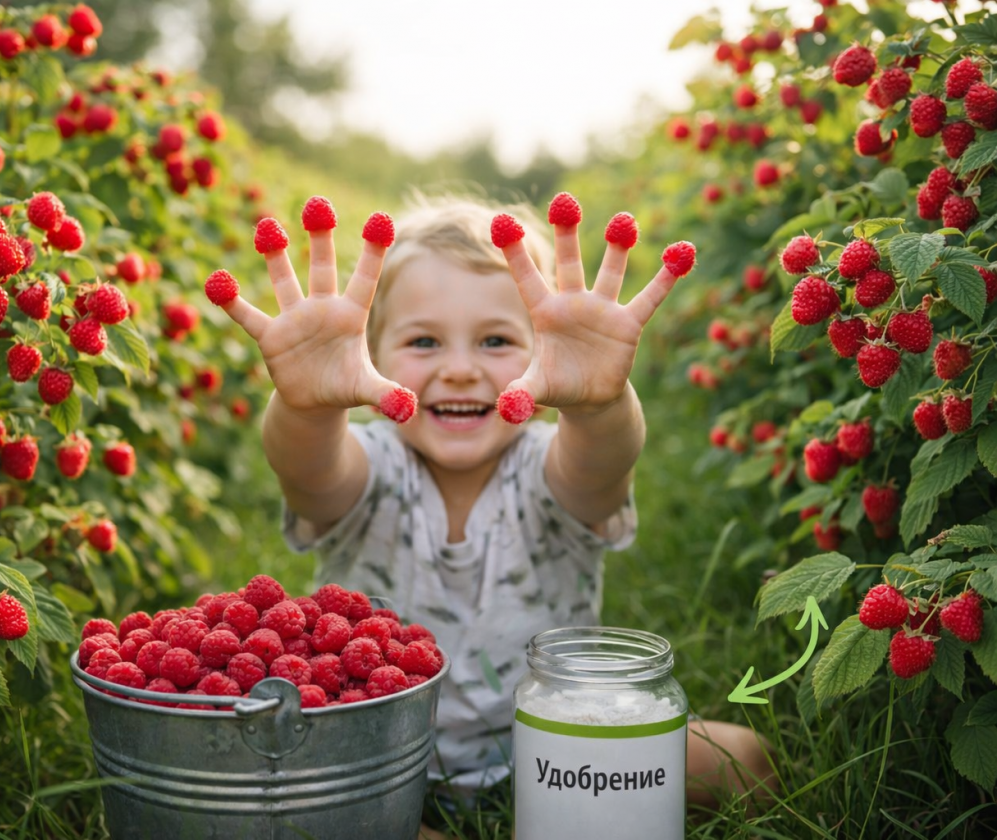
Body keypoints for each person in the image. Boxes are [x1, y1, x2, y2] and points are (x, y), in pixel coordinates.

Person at [205, 193, 777, 833]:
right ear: (371, 351)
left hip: (555, 744)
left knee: (742, 759)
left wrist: (598, 404)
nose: (458, 369)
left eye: (497, 340)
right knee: (299, 801)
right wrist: (307, 408)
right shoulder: (369, 465)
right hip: (375, 753)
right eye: (423, 341)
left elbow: (601, 466)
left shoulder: (549, 470)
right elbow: (308, 471)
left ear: (545, 350)